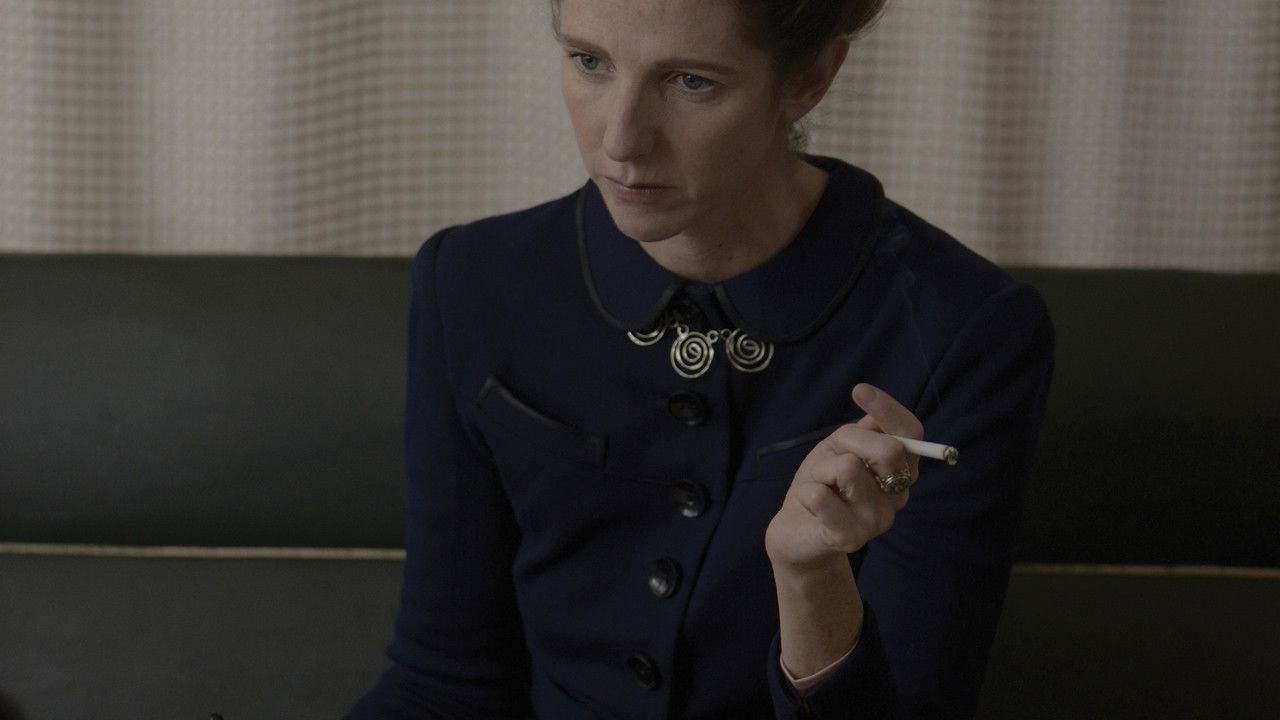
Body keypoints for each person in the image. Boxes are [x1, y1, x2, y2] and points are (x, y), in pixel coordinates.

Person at [346, 0, 1053, 717]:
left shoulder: (967, 331)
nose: (621, 140)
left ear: (810, 78)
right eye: (589, 61)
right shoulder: (471, 282)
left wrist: (811, 584)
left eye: (690, 82)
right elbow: (443, 681)